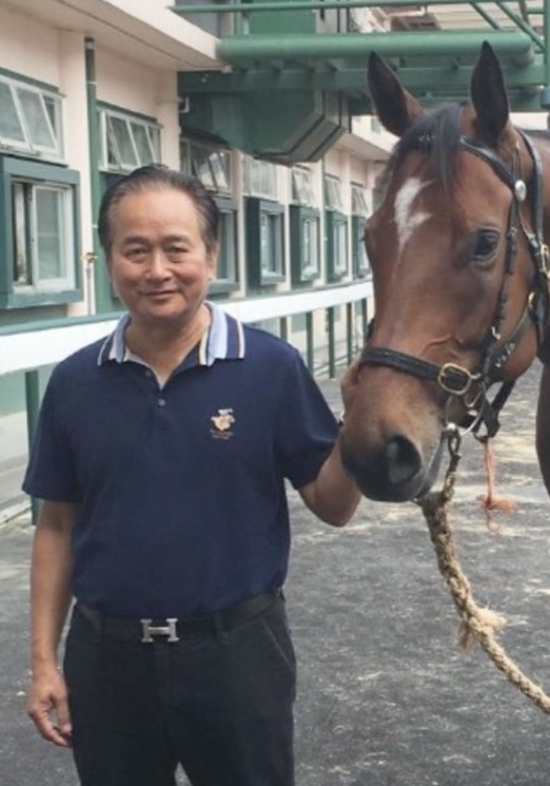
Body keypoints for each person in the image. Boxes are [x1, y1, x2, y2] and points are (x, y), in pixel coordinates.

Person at [25, 163, 362, 786]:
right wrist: (44, 660)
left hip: (237, 654)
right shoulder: (75, 383)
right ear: (107, 261)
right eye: (136, 251)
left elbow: (334, 503)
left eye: (176, 248)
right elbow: (56, 525)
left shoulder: (270, 368)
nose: (157, 270)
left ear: (210, 254)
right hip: (107, 660)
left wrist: (364, 430)